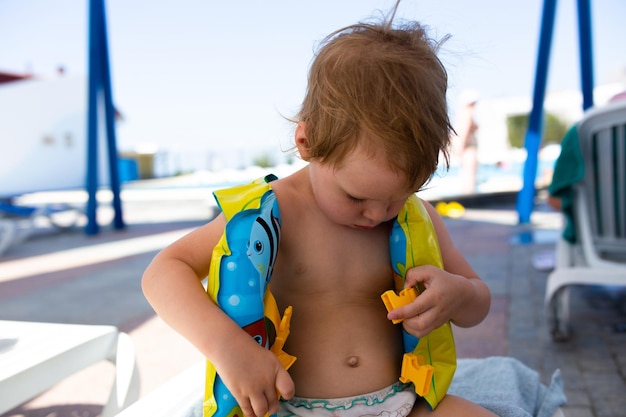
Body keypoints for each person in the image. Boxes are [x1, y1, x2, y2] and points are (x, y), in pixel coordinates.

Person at [142, 2, 495, 416]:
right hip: (287, 407)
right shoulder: (275, 212)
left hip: (399, 403)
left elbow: (479, 302)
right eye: (357, 197)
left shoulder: (416, 216)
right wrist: (229, 348)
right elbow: (163, 273)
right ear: (307, 145)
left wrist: (458, 295)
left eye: (399, 195)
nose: (378, 214)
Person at [453, 90, 480, 194]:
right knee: (470, 171)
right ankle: (469, 193)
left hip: (466, 145)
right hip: (468, 146)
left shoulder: (461, 113)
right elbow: (464, 131)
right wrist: (461, 145)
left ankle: (468, 191)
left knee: (466, 170)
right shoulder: (467, 113)